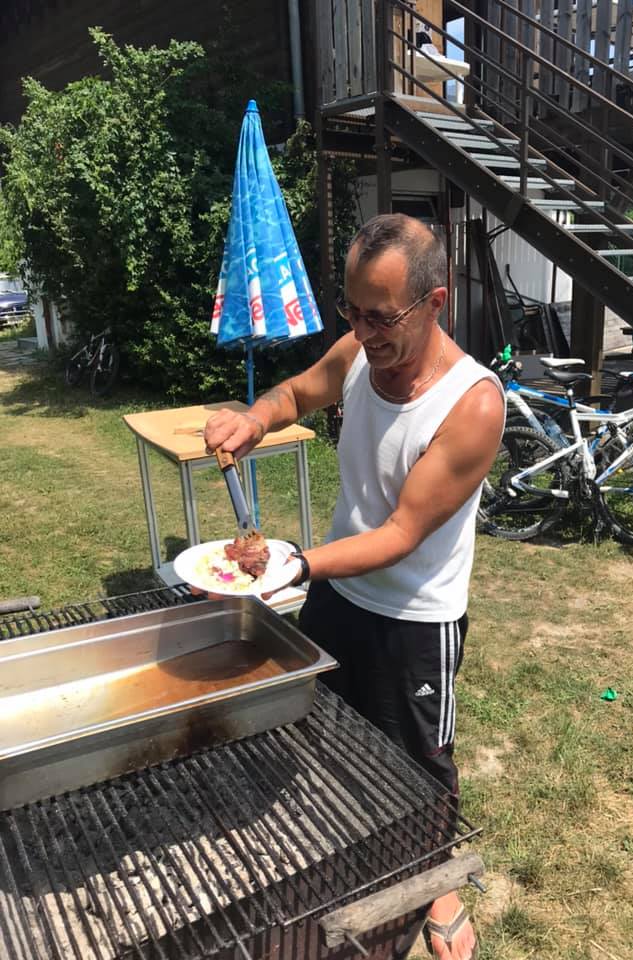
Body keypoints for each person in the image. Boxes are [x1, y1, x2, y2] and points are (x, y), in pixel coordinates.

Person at [204, 213, 505, 960]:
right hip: (340, 594)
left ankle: (437, 886)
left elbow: (401, 534)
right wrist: (254, 419)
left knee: (418, 766)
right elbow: (297, 393)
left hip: (416, 617)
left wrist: (296, 563)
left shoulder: (472, 404)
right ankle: (345, 859)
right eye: (353, 311)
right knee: (330, 733)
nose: (364, 333)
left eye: (382, 317)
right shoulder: (360, 353)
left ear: (435, 302)